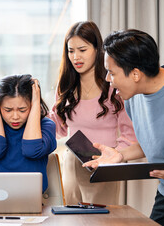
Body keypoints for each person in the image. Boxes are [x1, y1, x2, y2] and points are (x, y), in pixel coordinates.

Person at [84, 29, 164, 226]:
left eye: (112, 72)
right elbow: (156, 141)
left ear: (135, 74)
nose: (108, 79)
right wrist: (121, 155)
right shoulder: (132, 96)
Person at [48, 21, 137, 205]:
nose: (76, 57)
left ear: (97, 50)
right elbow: (57, 128)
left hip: (105, 166)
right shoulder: (65, 86)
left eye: (82, 49)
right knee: (72, 219)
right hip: (72, 163)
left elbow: (130, 134)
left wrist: (113, 156)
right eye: (71, 51)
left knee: (103, 220)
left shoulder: (113, 85)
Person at [0, 74, 57, 193]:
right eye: (7, 110)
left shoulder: (46, 126)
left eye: (22, 110)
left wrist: (36, 104)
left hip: (31, 198)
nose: (15, 117)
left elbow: (32, 150)